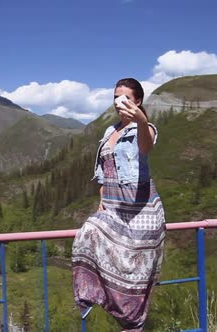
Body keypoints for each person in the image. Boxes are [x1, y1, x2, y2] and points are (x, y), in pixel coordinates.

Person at [72, 78, 165, 331]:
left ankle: (133, 324)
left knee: (133, 279)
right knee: (88, 233)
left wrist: (141, 121)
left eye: (124, 97)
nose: (117, 102)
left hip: (141, 211)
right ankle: (92, 296)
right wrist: (101, 199)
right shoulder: (109, 131)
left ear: (137, 101)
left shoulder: (146, 128)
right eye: (115, 97)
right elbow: (103, 171)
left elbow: (145, 147)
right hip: (113, 209)